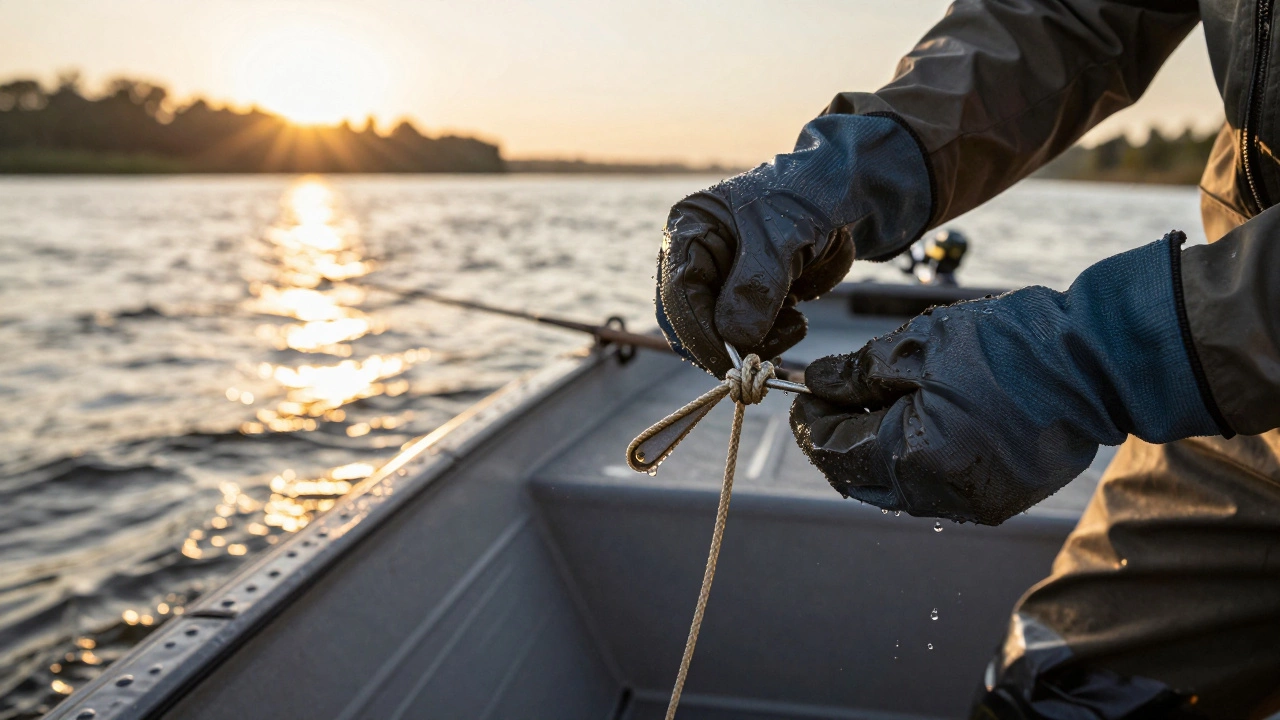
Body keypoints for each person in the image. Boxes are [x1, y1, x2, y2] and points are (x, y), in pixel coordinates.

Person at [653, 1, 1280, 717]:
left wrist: (1107, 355)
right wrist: (849, 168)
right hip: (1245, 420)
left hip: (1218, 345)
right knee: (1048, 697)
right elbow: (1070, 16)